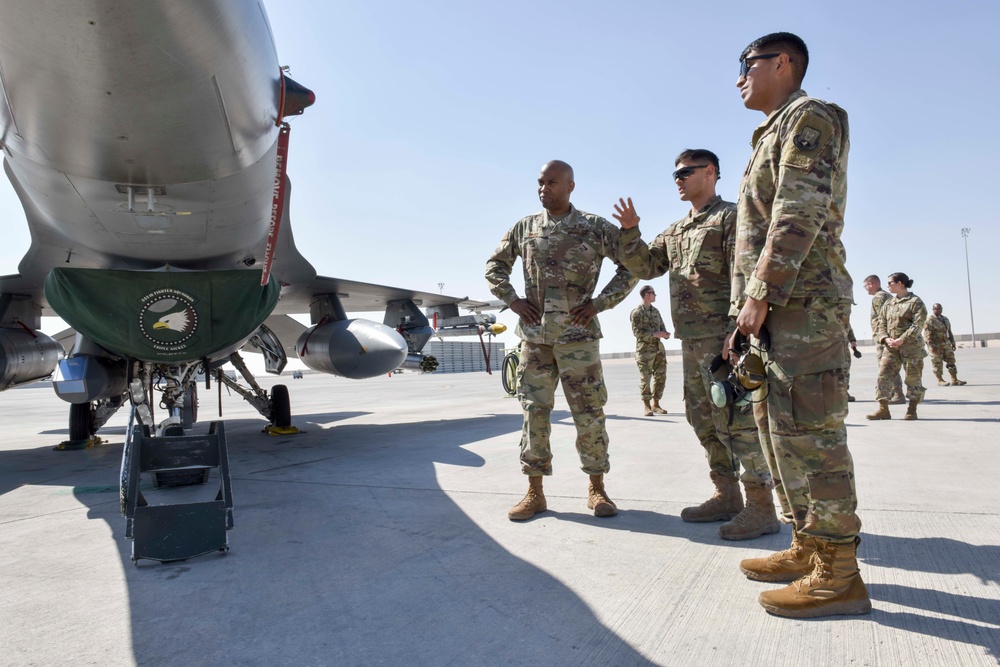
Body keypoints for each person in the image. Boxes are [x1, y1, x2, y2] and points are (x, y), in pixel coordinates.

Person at [726, 32, 870, 617]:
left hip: (803, 306)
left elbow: (799, 209)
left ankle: (838, 574)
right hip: (778, 312)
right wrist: (748, 312)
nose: (739, 78)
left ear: (782, 63)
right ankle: (808, 546)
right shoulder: (770, 132)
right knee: (780, 433)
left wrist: (760, 294)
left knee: (814, 436)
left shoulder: (809, 118)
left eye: (746, 64)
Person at [614, 149, 779, 541]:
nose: (678, 179)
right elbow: (646, 266)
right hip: (692, 342)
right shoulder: (675, 231)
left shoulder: (730, 217)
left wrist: (738, 330)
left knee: (739, 421)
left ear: (710, 172)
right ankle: (726, 495)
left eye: (685, 172)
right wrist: (631, 232)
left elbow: (747, 271)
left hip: (727, 341)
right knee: (702, 418)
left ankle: (762, 506)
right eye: (674, 173)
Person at [485, 160, 638, 521]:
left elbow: (631, 265)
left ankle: (597, 490)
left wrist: (599, 304)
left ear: (570, 186)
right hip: (536, 341)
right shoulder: (524, 228)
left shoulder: (593, 227)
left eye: (551, 182)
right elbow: (494, 266)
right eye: (540, 182)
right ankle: (534, 492)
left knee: (589, 414)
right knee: (534, 414)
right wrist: (513, 301)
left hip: (578, 339)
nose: (543, 188)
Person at [868, 273, 928, 420]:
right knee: (883, 375)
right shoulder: (889, 303)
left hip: (911, 348)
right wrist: (885, 338)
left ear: (900, 283)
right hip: (891, 347)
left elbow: (918, 324)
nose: (887, 286)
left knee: (913, 378)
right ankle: (883, 409)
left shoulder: (915, 302)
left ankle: (912, 410)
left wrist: (902, 339)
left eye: (890, 283)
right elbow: (881, 322)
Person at [863, 275, 905, 403]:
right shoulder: (887, 295)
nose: (866, 289)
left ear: (871, 284)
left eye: (865, 286)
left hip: (883, 337)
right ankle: (895, 393)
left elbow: (883, 318)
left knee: (887, 365)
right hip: (890, 335)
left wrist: (883, 336)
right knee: (891, 364)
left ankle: (897, 393)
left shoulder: (878, 297)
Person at [630, 285, 670, 416]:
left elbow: (662, 326)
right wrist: (654, 334)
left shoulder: (656, 311)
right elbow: (637, 333)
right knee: (645, 378)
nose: (655, 296)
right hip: (645, 351)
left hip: (658, 349)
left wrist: (665, 334)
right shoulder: (637, 312)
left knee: (660, 377)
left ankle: (656, 404)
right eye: (653, 293)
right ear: (647, 295)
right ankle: (646, 406)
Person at [924, 303, 967, 386]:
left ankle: (954, 380)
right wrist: (931, 346)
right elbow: (927, 334)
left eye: (940, 308)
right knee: (937, 363)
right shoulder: (930, 320)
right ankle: (940, 380)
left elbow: (949, 332)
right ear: (933, 310)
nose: (938, 310)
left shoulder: (945, 319)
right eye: (936, 309)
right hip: (936, 346)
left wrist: (953, 343)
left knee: (951, 361)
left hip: (946, 344)